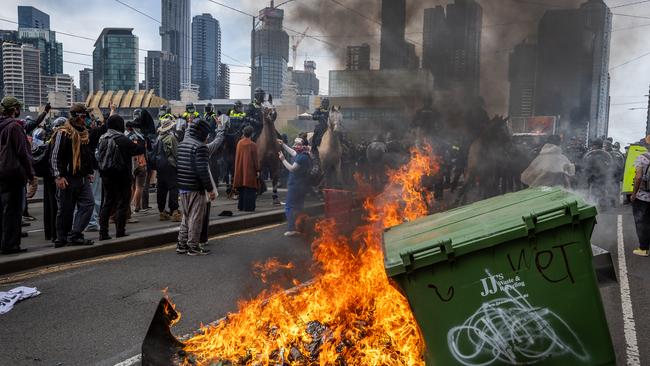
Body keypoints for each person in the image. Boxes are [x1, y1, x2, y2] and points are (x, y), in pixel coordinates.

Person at [50, 103, 95, 247]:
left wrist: (88, 172)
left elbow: (86, 156)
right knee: (65, 209)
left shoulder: (84, 133)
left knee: (88, 204)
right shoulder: (63, 132)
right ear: (78, 116)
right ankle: (61, 238)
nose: (87, 119)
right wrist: (58, 176)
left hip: (82, 177)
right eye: (85, 116)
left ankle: (75, 234)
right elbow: (55, 157)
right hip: (67, 177)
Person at [97, 115, 146, 240]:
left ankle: (103, 232)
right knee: (122, 202)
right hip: (122, 175)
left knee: (107, 202)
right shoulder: (122, 139)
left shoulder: (103, 138)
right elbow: (139, 149)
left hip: (106, 175)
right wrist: (140, 138)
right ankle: (120, 230)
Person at [176, 119, 216, 256]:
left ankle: (181, 244)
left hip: (182, 186)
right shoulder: (201, 147)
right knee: (196, 217)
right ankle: (193, 246)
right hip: (195, 188)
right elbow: (202, 171)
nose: (208, 137)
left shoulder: (182, 144)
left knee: (186, 216)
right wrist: (210, 189)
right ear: (202, 133)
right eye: (207, 134)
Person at [0, 97, 34, 254]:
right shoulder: (14, 127)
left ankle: (4, 242)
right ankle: (11, 245)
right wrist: (30, 174)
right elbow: (22, 153)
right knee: (13, 211)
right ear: (14, 109)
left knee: (4, 210)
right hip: (12, 173)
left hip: (2, 174)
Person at [278, 138, 312, 237]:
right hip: (301, 186)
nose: (295, 146)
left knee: (289, 207)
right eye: (295, 144)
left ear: (304, 146)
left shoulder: (302, 157)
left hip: (296, 186)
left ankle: (291, 229)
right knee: (298, 207)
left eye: (298, 144)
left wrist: (283, 159)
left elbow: (292, 169)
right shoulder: (304, 155)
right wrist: (283, 144)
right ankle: (301, 227)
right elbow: (293, 152)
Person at [153, 118, 181, 222]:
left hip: (160, 167)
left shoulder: (158, 138)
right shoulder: (171, 138)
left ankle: (162, 212)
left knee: (161, 189)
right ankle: (174, 211)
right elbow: (176, 153)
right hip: (170, 166)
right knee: (173, 188)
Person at [234, 126, 259, 212]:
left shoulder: (239, 143)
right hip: (250, 172)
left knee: (242, 190)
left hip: (240, 170)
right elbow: (256, 160)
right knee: (250, 190)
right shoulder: (253, 145)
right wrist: (258, 169)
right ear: (251, 134)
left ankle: (241, 206)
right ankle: (248, 207)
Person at [631, 151, 650, 257]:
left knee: (641, 222)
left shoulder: (642, 157)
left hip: (643, 198)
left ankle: (644, 248)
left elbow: (638, 178)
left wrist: (634, 194)